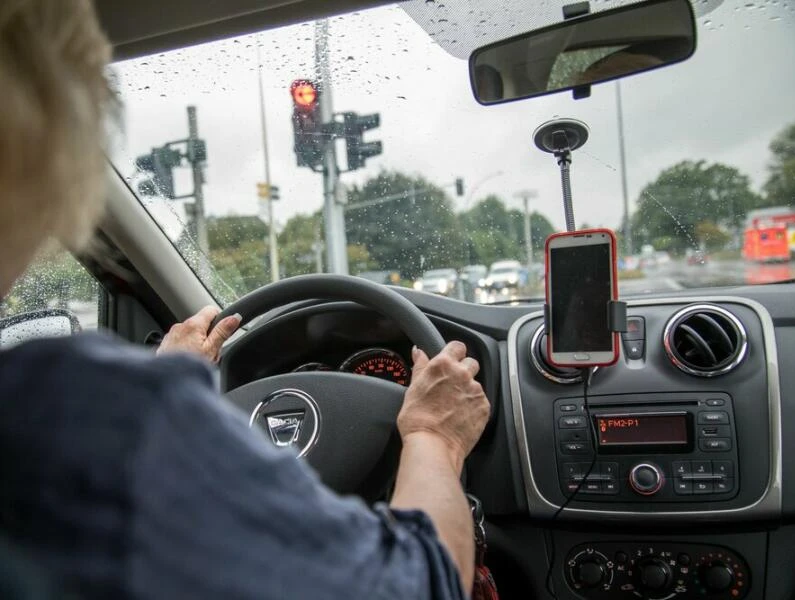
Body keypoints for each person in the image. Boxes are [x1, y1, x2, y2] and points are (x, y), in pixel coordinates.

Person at [0, 1, 491, 598]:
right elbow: (419, 585)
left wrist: (170, 380)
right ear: (49, 148)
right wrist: (434, 438)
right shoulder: (85, 421)